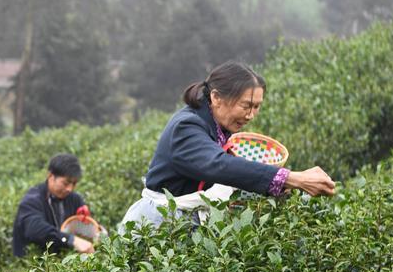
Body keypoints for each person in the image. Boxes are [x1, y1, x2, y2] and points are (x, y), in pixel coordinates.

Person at [119, 61, 336, 231]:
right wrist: (293, 178)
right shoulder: (186, 127)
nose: (251, 115)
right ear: (216, 98)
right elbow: (219, 165)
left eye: (257, 107)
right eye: (246, 106)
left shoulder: (218, 127)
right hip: (157, 225)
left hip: (185, 223)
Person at [12, 153, 95, 257]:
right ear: (51, 176)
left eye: (74, 184)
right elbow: (36, 230)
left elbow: (87, 227)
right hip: (35, 265)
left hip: (63, 263)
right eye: (65, 183)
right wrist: (71, 240)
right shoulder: (31, 201)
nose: (70, 188)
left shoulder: (74, 198)